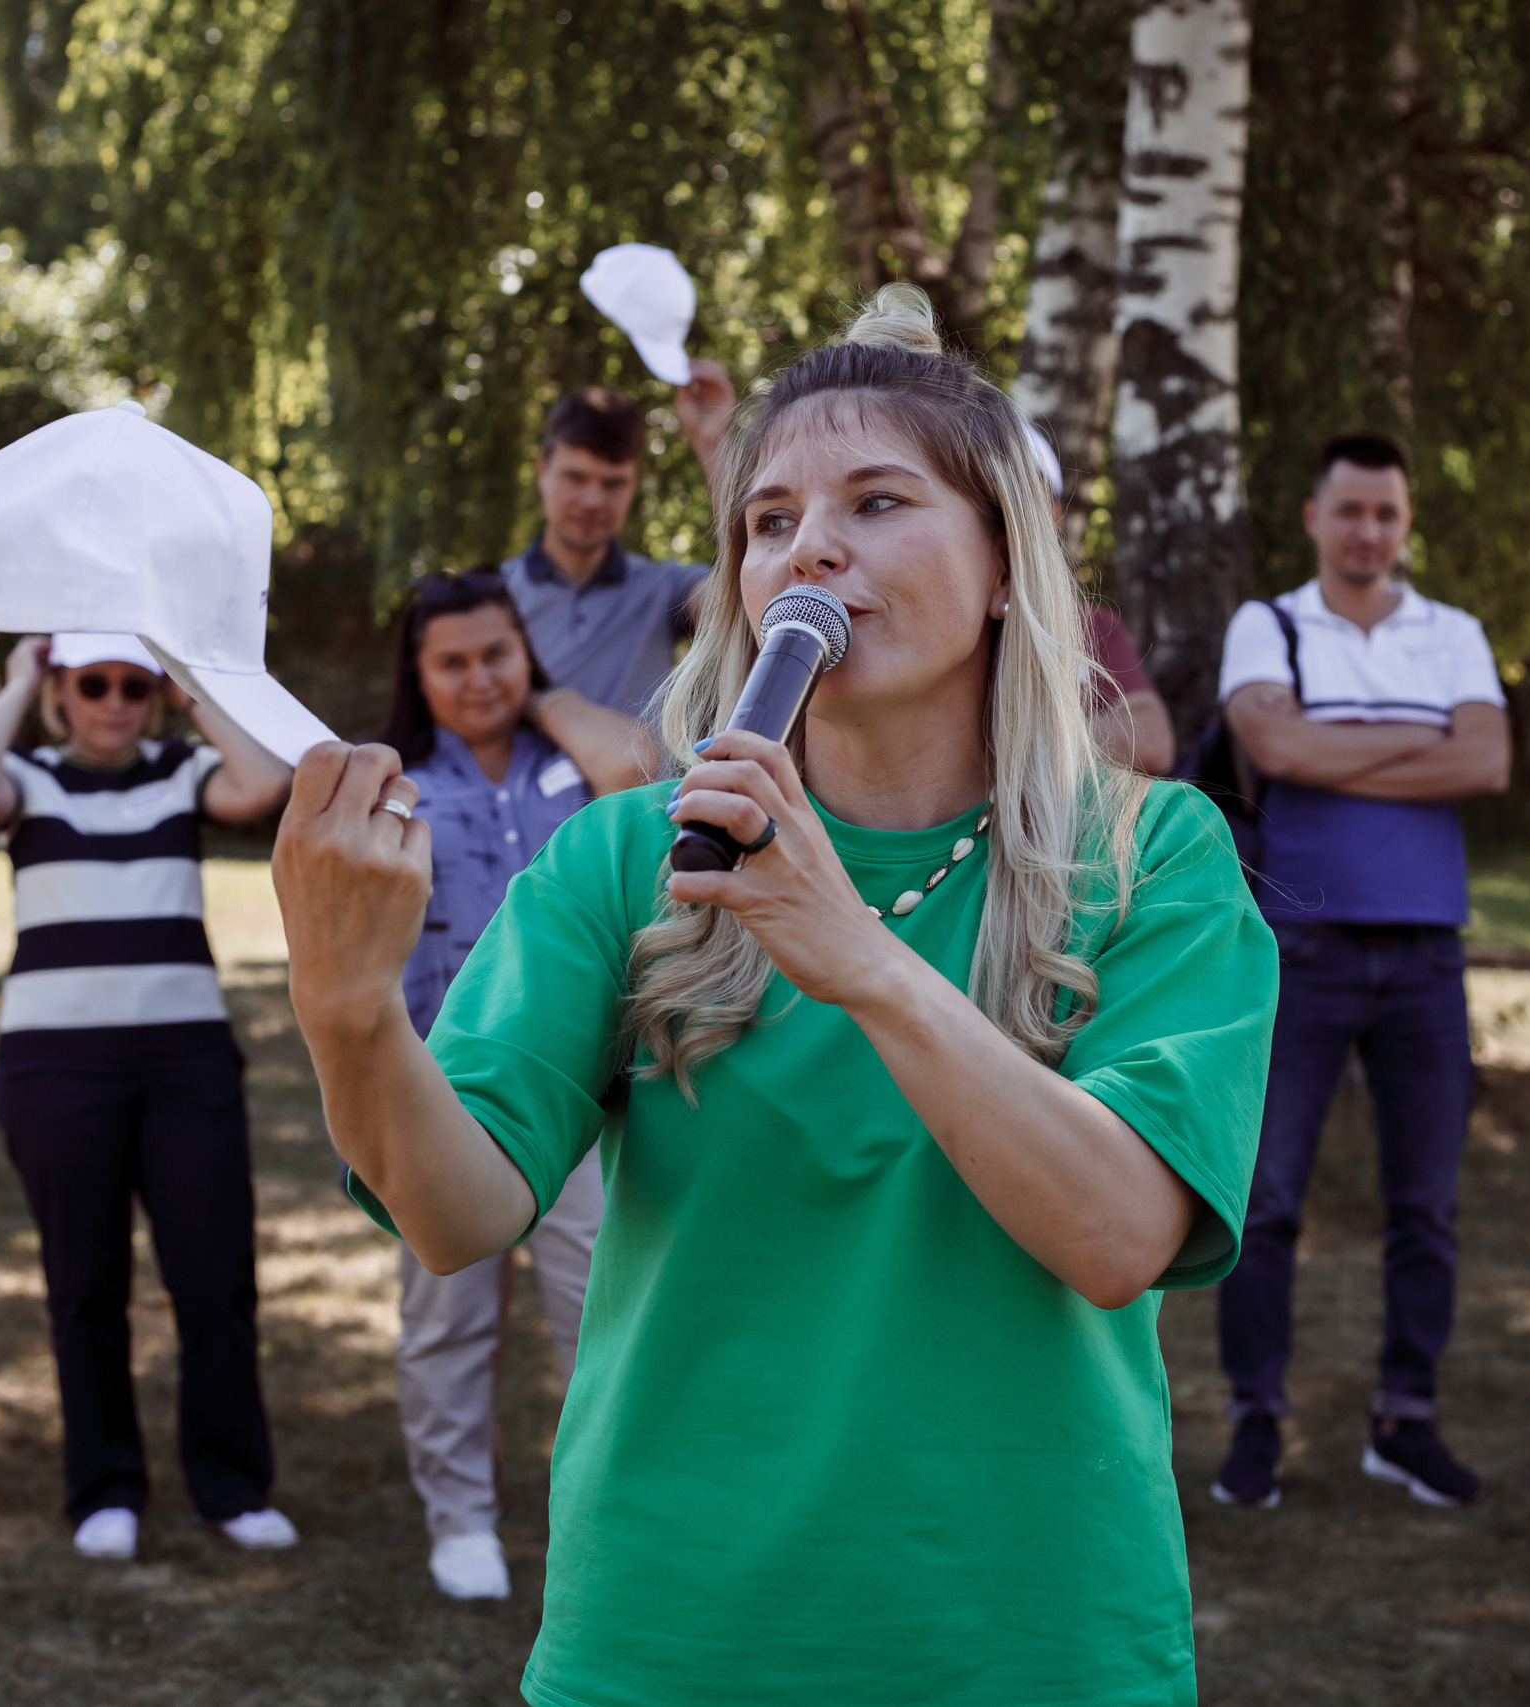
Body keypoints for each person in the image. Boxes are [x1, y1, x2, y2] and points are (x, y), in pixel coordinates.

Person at [274, 285, 1276, 1707]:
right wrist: (350, 1009)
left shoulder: (1151, 854)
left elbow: (1119, 1231)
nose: (812, 543)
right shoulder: (630, 855)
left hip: (1031, 1638)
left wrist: (858, 957)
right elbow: (456, 1212)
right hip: (670, 1638)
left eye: (878, 500)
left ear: (1008, 561)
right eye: (770, 518)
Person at [0, 632, 298, 1559]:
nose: (114, 702)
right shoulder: (29, 779)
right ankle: (105, 1488)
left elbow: (261, 783)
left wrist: (190, 683)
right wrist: (18, 682)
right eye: (93, 684)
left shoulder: (183, 771)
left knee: (214, 1279)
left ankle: (229, 1484)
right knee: (84, 1283)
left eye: (134, 687)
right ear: (63, 689)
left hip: (186, 1061)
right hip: (57, 1067)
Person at [1209, 432, 1511, 1509]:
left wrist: (1336, 741)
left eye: (1386, 513)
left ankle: (1405, 1421)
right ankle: (1254, 1420)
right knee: (1267, 1199)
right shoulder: (1271, 624)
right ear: (1313, 517)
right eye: (1350, 511)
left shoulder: (1455, 633)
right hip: (1300, 952)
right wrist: (1409, 746)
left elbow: (1488, 761)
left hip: (1427, 954)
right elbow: (1276, 754)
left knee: (1425, 1207)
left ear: (1405, 523)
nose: (1368, 531)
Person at [376, 568, 654, 1600]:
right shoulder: (397, 782)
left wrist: (538, 695)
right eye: (450, 661)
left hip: (589, 1093)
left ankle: (614, 1508)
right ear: (417, 673)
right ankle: (459, 1519)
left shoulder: (568, 763)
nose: (477, 677)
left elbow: (641, 771)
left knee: (604, 1309)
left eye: (497, 652)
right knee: (448, 1313)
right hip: (439, 1087)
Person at [498, 367, 734, 724]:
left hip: (644, 782)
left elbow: (741, 606)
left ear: (634, 483)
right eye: (575, 477)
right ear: (541, 470)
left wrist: (713, 445)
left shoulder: (664, 590)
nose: (593, 500)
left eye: (613, 484)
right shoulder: (495, 597)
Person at [1023, 427, 1176, 774]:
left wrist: (1015, 748)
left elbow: (1151, 739)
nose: (1009, 516)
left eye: (1026, 495)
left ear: (1055, 514)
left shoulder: (1091, 625)